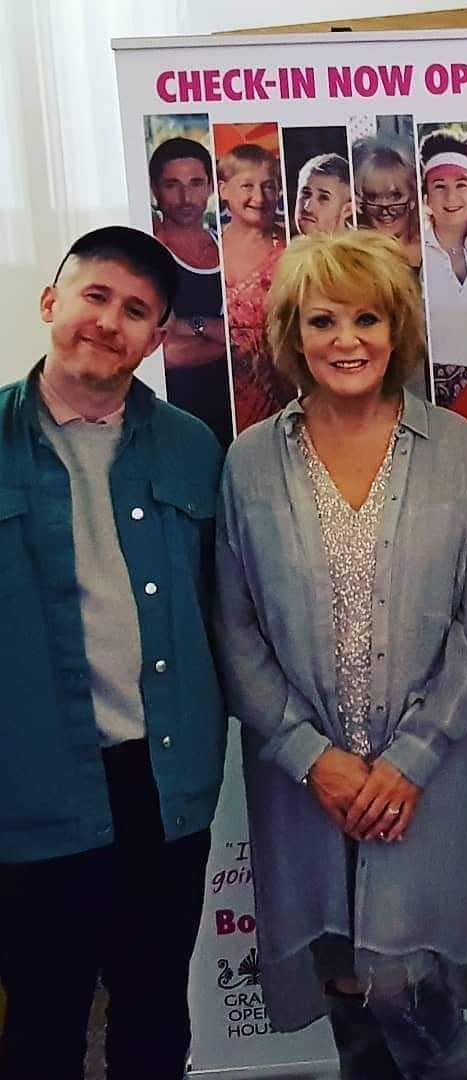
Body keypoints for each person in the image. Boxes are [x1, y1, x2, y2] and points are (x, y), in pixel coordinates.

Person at [214, 228, 467, 1080]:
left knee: (413, 995)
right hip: (306, 787)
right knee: (348, 993)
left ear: (398, 328)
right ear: (292, 336)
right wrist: (316, 762)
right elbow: (236, 633)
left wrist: (405, 764)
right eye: (322, 320)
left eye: (367, 319)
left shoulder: (459, 452)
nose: (346, 341)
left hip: (424, 784)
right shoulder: (248, 463)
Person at [0, 226, 226, 1079]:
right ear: (52, 301)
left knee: (153, 1015)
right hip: (30, 786)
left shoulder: (192, 448)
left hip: (161, 786)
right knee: (43, 1025)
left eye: (137, 311)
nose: (109, 322)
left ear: (159, 336)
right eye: (95, 296)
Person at [149, 136, 231, 444]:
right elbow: (164, 354)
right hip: (175, 417)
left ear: (211, 186)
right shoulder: (149, 254)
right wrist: (231, 340)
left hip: (236, 412)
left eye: (196, 183)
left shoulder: (228, 246)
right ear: (155, 190)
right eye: (172, 185)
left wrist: (190, 325)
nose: (186, 197)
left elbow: (262, 335)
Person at [419, 127, 467, 424]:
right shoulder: (415, 253)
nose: (451, 197)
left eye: (462, 184)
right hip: (432, 396)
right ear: (426, 195)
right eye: (439, 185)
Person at [218, 142, 295, 432]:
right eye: (247, 186)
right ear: (224, 190)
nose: (259, 197)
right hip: (222, 395)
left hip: (279, 395)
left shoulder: (291, 248)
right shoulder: (210, 247)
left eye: (268, 186)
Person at [352, 137, 422, 270]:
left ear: (413, 198)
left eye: (395, 196)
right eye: (373, 196)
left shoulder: (429, 249)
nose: (385, 208)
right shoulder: (357, 254)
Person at [294, 152, 354, 237]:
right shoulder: (289, 247)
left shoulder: (361, 249)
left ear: (347, 210)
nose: (308, 207)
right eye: (306, 193)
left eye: (324, 197)